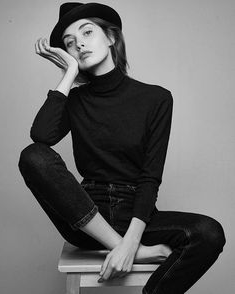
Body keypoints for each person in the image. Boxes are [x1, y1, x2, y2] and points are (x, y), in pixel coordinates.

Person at [18, 2, 226, 294]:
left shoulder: (156, 99)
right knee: (32, 155)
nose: (79, 43)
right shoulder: (75, 100)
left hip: (137, 217)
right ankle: (128, 248)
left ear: (111, 37)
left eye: (87, 32)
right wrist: (69, 74)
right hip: (86, 218)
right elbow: (40, 137)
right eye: (70, 43)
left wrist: (131, 241)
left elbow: (150, 176)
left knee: (209, 233)